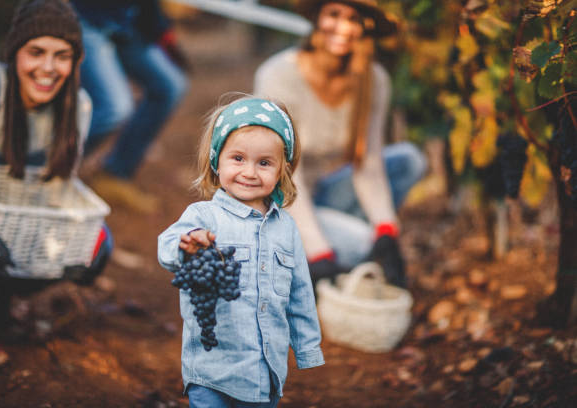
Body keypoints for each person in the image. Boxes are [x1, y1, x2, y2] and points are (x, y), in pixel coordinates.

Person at [158, 96, 324, 407]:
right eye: (237, 158)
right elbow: (167, 247)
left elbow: (301, 292)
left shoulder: (286, 228)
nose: (249, 172)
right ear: (215, 160)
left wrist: (307, 348)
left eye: (264, 163)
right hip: (211, 370)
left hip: (265, 374)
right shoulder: (204, 216)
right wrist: (187, 245)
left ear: (283, 170)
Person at [254, 0, 427, 288]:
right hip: (278, 202)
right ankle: (314, 253)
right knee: (361, 245)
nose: (343, 27)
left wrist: (387, 232)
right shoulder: (279, 76)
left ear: (366, 27)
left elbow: (368, 164)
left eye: (354, 18)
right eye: (334, 14)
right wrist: (317, 250)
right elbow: (283, 175)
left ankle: (346, 243)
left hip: (321, 191)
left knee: (409, 161)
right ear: (318, 18)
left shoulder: (373, 81)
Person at [0, 0, 112, 336]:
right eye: (36, 51)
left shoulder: (78, 108)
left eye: (62, 55)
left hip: (10, 220)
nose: (49, 67)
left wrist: (84, 235)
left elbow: (55, 194)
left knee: (100, 248)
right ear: (15, 52)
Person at [71, 0, 189, 214]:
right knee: (115, 108)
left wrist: (161, 28)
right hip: (88, 20)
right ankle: (50, 171)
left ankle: (115, 174)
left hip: (127, 23)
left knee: (170, 86)